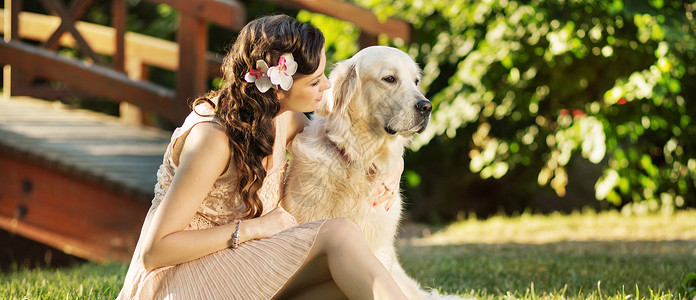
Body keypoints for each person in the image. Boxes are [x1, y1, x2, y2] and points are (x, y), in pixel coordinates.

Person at [117, 14, 407, 299]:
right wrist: (256, 228)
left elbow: (342, 151)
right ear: (279, 88)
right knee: (339, 233)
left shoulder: (284, 118)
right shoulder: (213, 140)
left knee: (346, 280)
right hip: (179, 279)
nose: (327, 86)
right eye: (315, 81)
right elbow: (155, 251)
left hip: (236, 268)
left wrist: (394, 167)